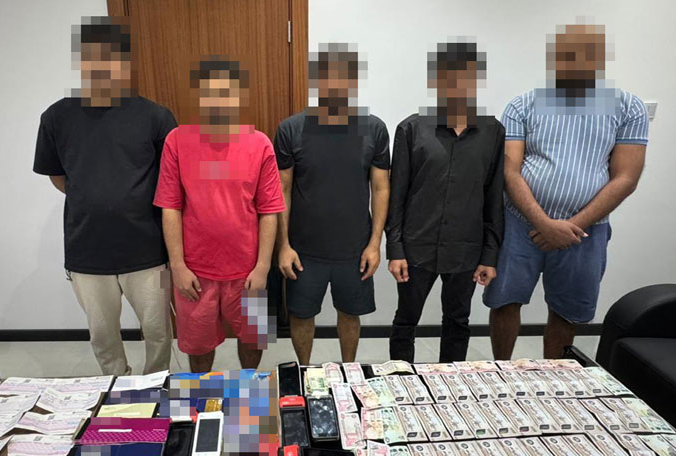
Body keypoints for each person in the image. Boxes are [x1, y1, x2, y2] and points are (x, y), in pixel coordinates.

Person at [485, 23, 649, 359]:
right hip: (519, 224)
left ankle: (554, 377)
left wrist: (571, 226)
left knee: (566, 310)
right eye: (566, 53)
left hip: (585, 232)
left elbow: (626, 178)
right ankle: (501, 370)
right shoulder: (523, 105)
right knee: (504, 301)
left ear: (599, 58)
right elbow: (509, 171)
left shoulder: (629, 108)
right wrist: (544, 224)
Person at [33, 17, 176, 376]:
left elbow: (171, 181)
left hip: (150, 251)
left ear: (124, 62)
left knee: (159, 331)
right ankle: (116, 386)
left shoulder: (155, 116)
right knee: (102, 335)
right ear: (82, 61)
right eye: (93, 56)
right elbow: (57, 175)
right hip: (87, 251)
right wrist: (97, 197)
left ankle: (156, 383)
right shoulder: (57, 117)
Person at [154, 56, 285, 372]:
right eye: (210, 93)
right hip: (195, 271)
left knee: (254, 339)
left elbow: (269, 210)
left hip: (249, 268)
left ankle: (248, 389)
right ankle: (203, 395)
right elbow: (171, 206)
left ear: (239, 96)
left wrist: (263, 267)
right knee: (197, 345)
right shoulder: (177, 141)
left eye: (225, 93)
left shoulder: (260, 144)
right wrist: (178, 265)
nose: (218, 101)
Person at [386, 41, 505, 364]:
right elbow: (397, 195)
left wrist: (490, 254)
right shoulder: (411, 129)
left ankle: (450, 383)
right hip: (417, 247)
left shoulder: (493, 132)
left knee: (458, 322)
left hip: (466, 249)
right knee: (406, 320)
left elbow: (494, 197)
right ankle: (402, 382)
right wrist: (395, 249)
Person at [274, 44, 390, 365]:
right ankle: (304, 370)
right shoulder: (291, 129)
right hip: (303, 249)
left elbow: (381, 188)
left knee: (350, 314)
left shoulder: (374, 129)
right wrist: (283, 245)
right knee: (301, 314)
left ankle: (348, 371)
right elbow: (281, 190)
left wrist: (375, 244)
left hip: (355, 248)